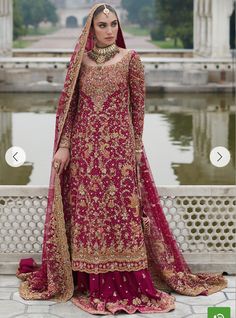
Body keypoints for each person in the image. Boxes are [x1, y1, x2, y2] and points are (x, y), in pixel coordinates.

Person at [16, 3, 227, 315]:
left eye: (113, 24)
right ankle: (87, 280)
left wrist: (135, 150)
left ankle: (124, 280)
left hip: (119, 153)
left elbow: (137, 111)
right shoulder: (80, 63)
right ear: (91, 29)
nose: (109, 30)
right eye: (102, 25)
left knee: (120, 214)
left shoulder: (131, 60)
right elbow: (70, 110)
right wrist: (64, 146)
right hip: (85, 154)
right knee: (89, 215)